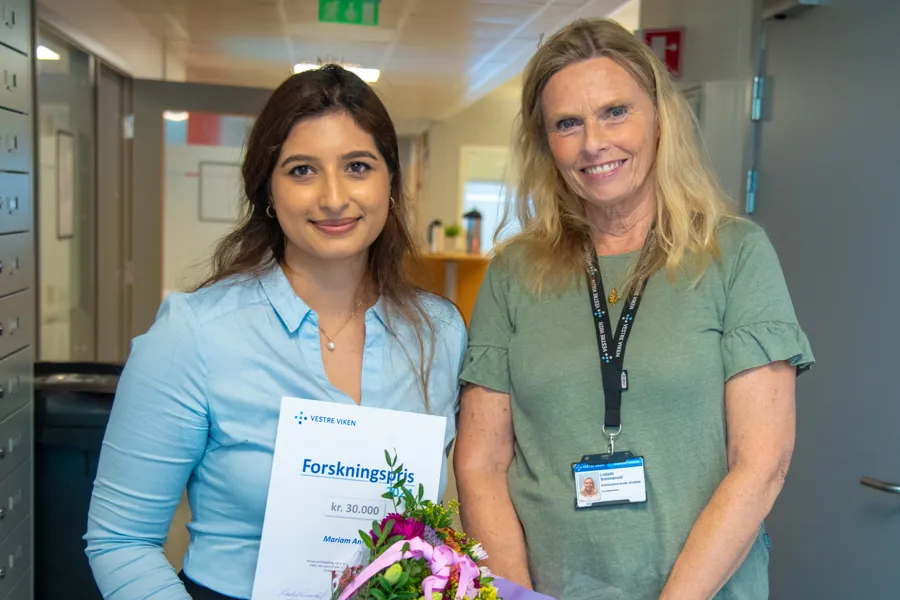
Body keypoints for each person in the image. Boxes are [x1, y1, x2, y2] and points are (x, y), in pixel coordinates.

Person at [453, 18, 814, 600]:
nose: (593, 142)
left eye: (615, 112)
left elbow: (762, 461)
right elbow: (480, 464)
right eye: (567, 123)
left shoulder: (736, 255)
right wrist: (515, 597)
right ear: (546, 142)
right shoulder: (513, 274)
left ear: (659, 117)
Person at [84, 65, 466, 600]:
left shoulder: (441, 334)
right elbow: (120, 540)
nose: (334, 198)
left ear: (390, 182)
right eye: (302, 170)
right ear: (267, 188)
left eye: (358, 166)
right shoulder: (194, 335)